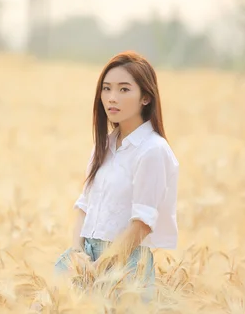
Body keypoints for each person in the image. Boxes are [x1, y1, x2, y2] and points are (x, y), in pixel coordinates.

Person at [54, 51, 179, 303]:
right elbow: (84, 206)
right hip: (85, 260)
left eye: (124, 90)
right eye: (106, 89)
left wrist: (101, 267)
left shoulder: (152, 150)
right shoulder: (104, 145)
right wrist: (78, 255)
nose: (112, 98)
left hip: (125, 268)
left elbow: (142, 225)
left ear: (146, 97)